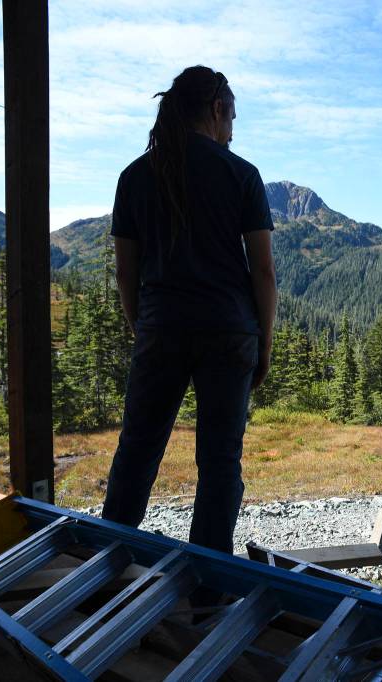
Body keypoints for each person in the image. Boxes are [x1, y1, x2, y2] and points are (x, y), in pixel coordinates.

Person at [101, 65, 277, 558]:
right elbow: (262, 272)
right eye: (232, 117)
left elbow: (124, 274)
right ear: (217, 110)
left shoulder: (134, 176)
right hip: (228, 329)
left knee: (137, 449)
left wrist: (146, 328)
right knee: (220, 461)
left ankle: (108, 567)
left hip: (161, 326)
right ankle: (209, 592)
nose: (233, 130)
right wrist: (264, 342)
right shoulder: (240, 173)